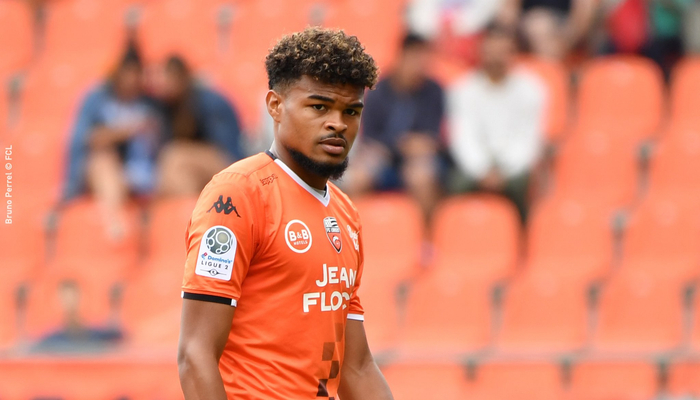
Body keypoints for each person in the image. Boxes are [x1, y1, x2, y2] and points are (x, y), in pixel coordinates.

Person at [178, 27, 394, 400]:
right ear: (276, 106)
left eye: (351, 111)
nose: (338, 123)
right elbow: (196, 356)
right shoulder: (237, 195)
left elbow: (356, 367)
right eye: (319, 107)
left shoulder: (345, 213)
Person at [447, 23, 547, 223]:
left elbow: (528, 139)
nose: (496, 58)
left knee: (524, 186)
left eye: (502, 52)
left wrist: (504, 171)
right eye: (491, 51)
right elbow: (463, 137)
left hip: (513, 168)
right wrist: (482, 170)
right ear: (481, 52)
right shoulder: (463, 89)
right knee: (455, 185)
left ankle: (524, 234)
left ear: (512, 53)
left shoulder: (531, 89)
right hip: (476, 167)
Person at [63, 43, 162, 239]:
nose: (131, 80)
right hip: (101, 174)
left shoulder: (150, 104)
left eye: (136, 74)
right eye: (127, 73)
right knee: (103, 160)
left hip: (143, 174)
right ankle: (114, 219)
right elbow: (87, 139)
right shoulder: (97, 99)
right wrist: (127, 131)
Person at [344, 33, 445, 224]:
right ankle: (352, 230)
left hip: (419, 156)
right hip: (382, 153)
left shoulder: (434, 91)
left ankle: (427, 234)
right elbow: (370, 136)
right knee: (358, 176)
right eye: (414, 58)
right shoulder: (378, 90)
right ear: (401, 56)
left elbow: (432, 136)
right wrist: (400, 143)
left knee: (421, 177)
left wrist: (417, 144)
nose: (418, 65)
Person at [152, 55, 245, 196]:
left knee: (174, 158)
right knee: (173, 173)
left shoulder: (209, 102)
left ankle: (189, 206)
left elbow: (227, 154)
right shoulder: (169, 106)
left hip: (229, 165)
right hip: (195, 171)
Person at [500, 0, 597, 60]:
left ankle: (548, 75)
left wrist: (566, 40)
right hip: (527, 23)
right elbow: (509, 10)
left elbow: (583, 14)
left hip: (562, 25)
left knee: (540, 26)